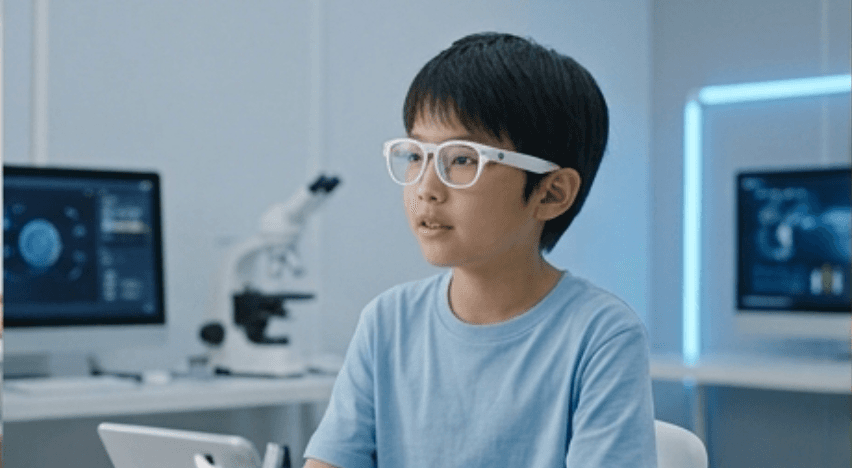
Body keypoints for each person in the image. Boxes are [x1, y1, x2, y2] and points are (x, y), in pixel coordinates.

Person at [303, 32, 656, 467]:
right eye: (416, 155)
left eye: (463, 158)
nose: (426, 188)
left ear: (551, 193)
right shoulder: (387, 323)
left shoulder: (601, 336)